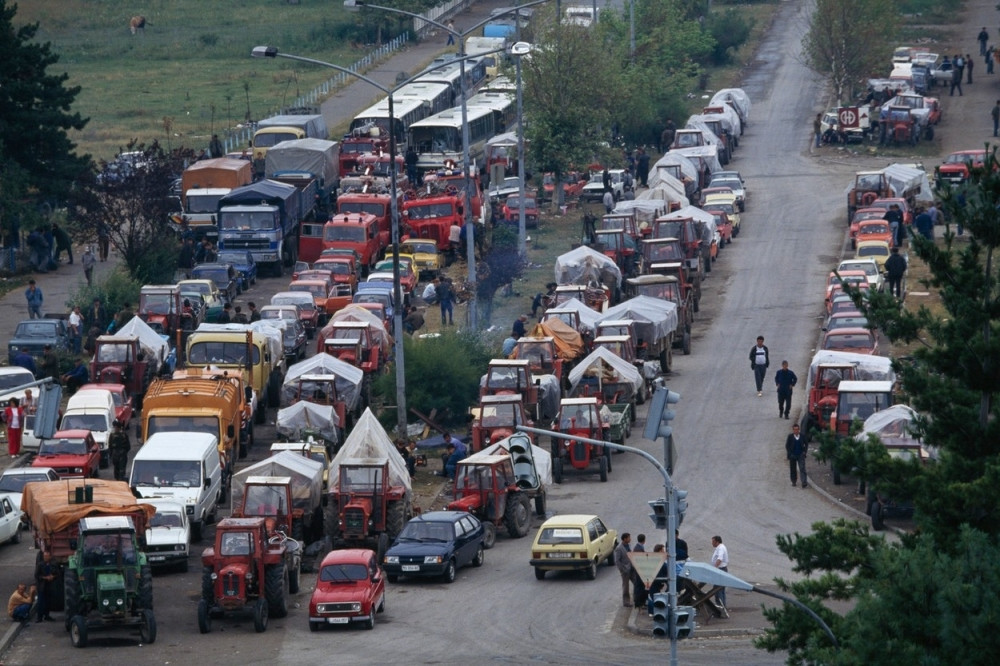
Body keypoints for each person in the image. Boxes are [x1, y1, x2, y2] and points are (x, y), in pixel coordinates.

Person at [34, 552, 55, 623]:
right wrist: (45, 578)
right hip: (41, 586)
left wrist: (53, 577)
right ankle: (39, 617)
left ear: (50, 557)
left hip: (49, 586)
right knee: (40, 602)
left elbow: (57, 573)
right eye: (44, 556)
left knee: (48, 602)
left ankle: (47, 615)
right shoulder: (40, 565)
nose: (45, 557)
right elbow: (36, 575)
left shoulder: (53, 565)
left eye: (47, 556)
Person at [711, 536, 729, 617]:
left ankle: (721, 610)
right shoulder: (720, 547)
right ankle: (721, 608)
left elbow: (720, 559)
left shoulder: (720, 548)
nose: (712, 543)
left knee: (718, 590)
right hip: (721, 569)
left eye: (713, 541)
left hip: (720, 570)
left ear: (717, 542)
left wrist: (714, 568)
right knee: (719, 590)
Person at [785, 423, 808, 488]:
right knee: (793, 469)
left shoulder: (802, 436)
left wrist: (805, 452)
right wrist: (790, 454)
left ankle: (804, 482)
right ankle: (794, 481)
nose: (796, 431)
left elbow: (806, 444)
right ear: (793, 430)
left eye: (797, 429)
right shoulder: (790, 437)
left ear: (799, 430)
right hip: (793, 455)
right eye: (795, 430)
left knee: (802, 468)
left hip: (800, 454)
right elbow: (787, 446)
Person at [614, 532, 633, 608]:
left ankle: (637, 599)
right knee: (626, 586)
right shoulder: (619, 548)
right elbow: (617, 561)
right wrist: (622, 570)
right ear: (624, 539)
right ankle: (626, 602)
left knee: (636, 583)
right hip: (625, 571)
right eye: (628, 538)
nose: (630, 539)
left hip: (631, 569)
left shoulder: (629, 545)